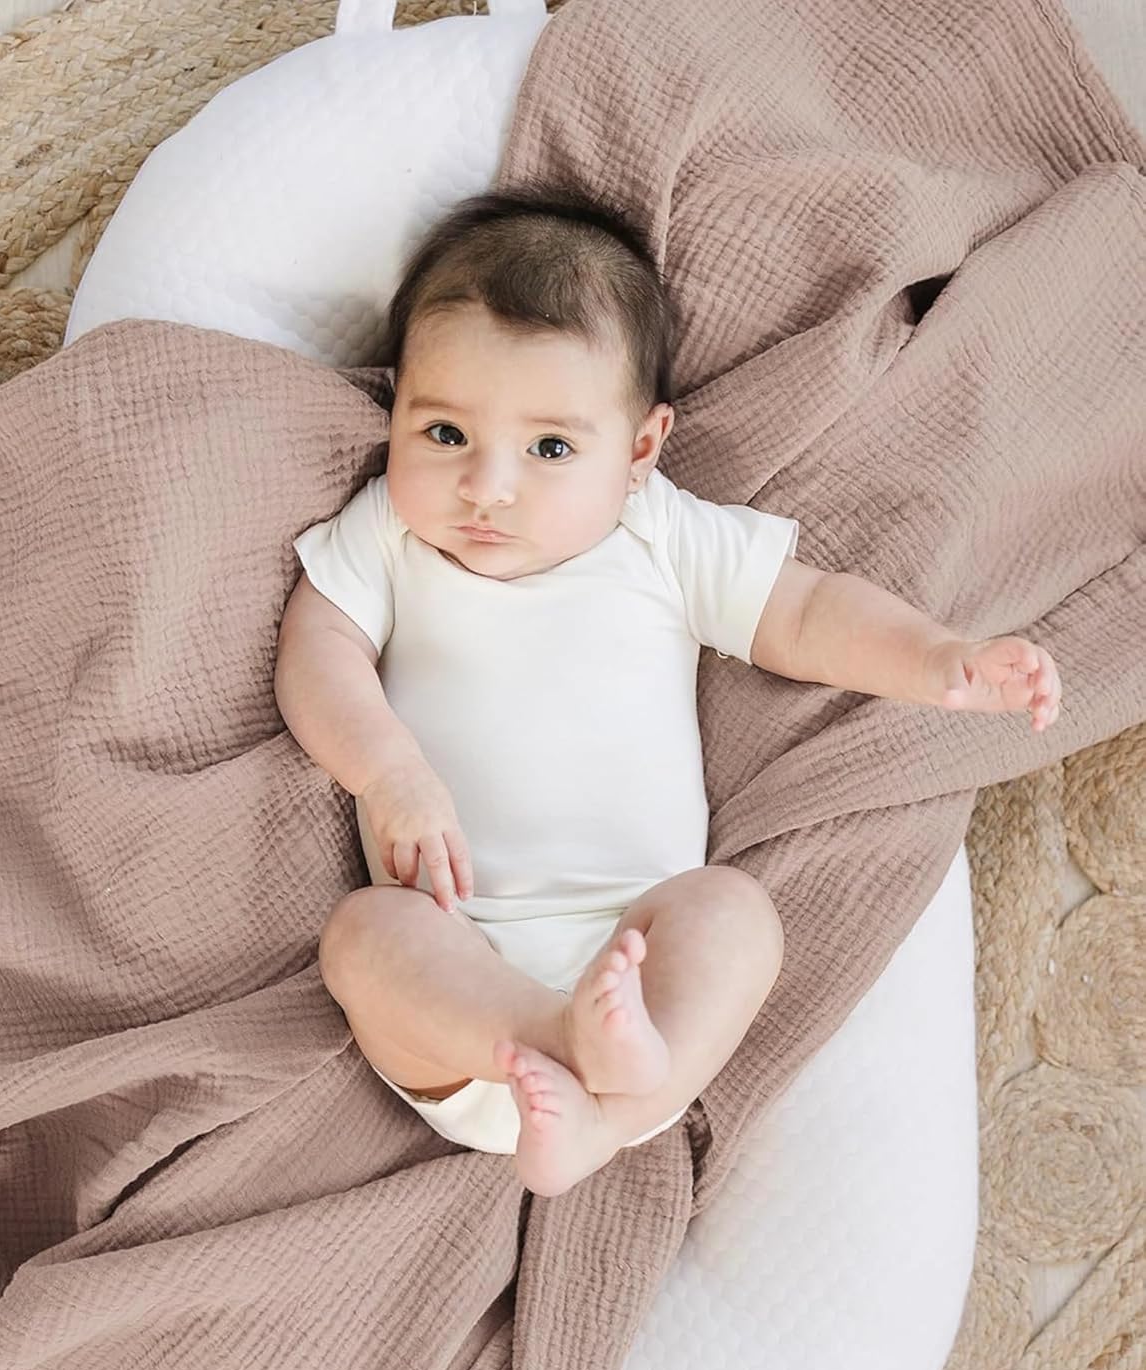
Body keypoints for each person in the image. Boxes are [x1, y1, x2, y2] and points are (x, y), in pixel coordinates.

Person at [273, 187, 1061, 1198]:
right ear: (397, 409)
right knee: (363, 937)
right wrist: (388, 774)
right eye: (444, 434)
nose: (486, 487)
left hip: (643, 981)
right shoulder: (389, 531)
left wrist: (938, 656)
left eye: (549, 448)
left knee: (733, 912)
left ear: (639, 450)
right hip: (460, 1006)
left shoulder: (661, 535)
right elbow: (318, 649)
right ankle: (562, 1048)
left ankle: (606, 1108)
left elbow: (805, 614)